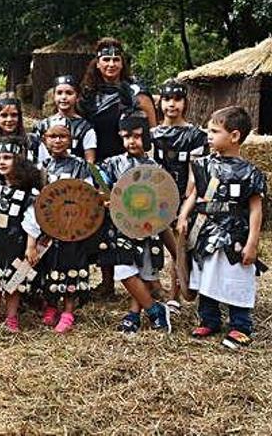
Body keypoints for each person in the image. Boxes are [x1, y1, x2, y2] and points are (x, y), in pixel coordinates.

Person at [177, 106, 267, 349]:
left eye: (215, 131)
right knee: (207, 276)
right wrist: (183, 216)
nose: (209, 135)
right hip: (206, 232)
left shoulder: (250, 173)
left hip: (235, 234)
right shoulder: (204, 165)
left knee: (234, 278)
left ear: (235, 136)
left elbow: (257, 209)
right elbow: (195, 194)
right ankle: (210, 319)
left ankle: (240, 325)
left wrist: (252, 243)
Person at [98, 115, 173, 335]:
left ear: (146, 137)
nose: (131, 142)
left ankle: (134, 314)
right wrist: (106, 197)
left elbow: (164, 198)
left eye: (137, 136)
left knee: (145, 274)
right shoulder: (113, 164)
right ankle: (154, 310)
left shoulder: (155, 166)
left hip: (147, 228)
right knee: (124, 271)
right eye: (126, 137)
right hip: (122, 228)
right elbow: (103, 189)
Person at [0, 138, 42, 332]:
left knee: (15, 280)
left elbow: (32, 221)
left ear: (18, 160)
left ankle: (12, 318)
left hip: (17, 242)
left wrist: (31, 246)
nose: (1, 162)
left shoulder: (29, 192)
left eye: (7, 157)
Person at [151, 80, 208, 305]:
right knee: (165, 247)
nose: (171, 104)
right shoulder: (152, 134)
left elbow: (195, 172)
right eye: (166, 99)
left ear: (185, 103)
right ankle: (160, 290)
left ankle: (177, 295)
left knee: (180, 248)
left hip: (184, 198)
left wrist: (185, 200)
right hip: (156, 198)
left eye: (177, 99)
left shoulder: (196, 135)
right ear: (160, 102)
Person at [37, 125, 95, 333]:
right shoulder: (42, 166)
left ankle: (69, 310)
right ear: (45, 140)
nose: (57, 141)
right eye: (53, 136)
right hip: (50, 226)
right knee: (50, 265)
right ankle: (51, 305)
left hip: (74, 226)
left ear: (70, 140)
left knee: (72, 266)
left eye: (62, 136)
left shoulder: (80, 166)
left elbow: (88, 195)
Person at [79, 37, 156, 164]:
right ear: (98, 64)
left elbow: (153, 132)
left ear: (122, 64)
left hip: (132, 165)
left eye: (116, 60)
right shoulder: (88, 96)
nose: (111, 64)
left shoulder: (137, 93)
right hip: (100, 164)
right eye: (106, 59)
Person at [34, 75, 97, 164]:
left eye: (69, 93)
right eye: (59, 93)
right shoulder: (43, 126)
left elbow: (90, 161)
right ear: (54, 96)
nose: (64, 97)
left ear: (77, 97)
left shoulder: (85, 128)